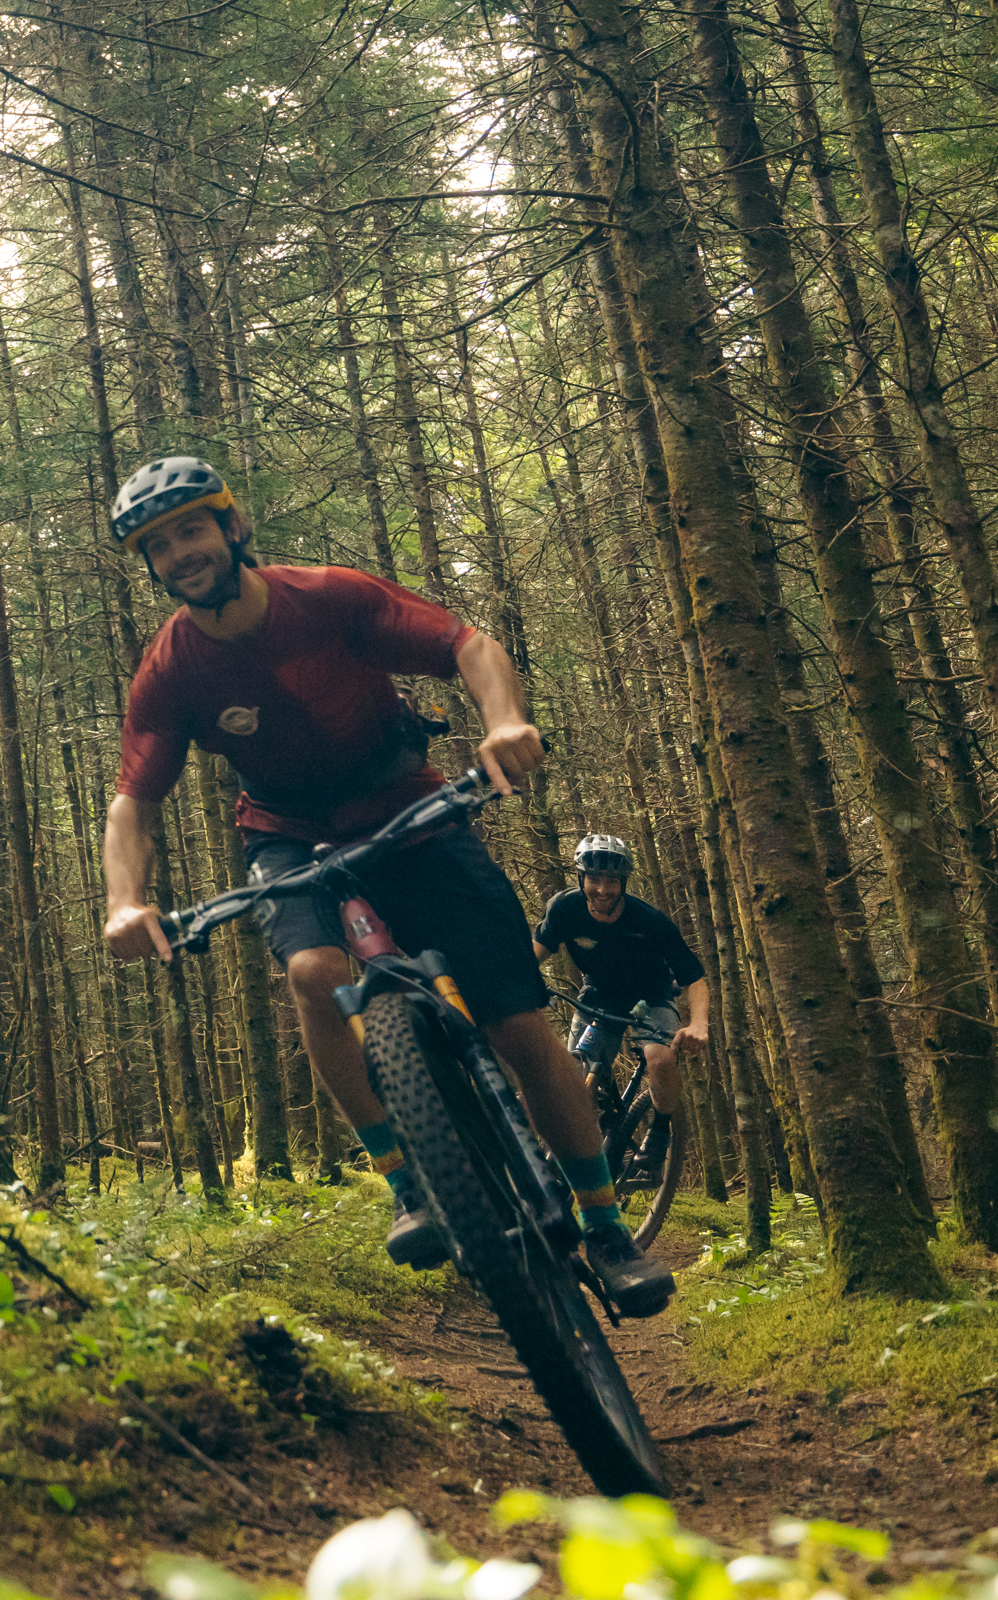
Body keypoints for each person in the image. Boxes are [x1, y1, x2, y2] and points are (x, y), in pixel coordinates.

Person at [95, 455, 675, 1319]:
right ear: (150, 566)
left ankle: (605, 1226)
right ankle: (407, 1180)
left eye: (190, 528)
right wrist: (124, 902)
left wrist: (506, 720)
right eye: (158, 543)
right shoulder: (171, 670)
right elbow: (134, 803)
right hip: (287, 834)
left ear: (231, 526)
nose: (179, 551)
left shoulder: (326, 597)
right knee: (312, 974)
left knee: (519, 1026)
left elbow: (465, 644)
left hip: (411, 807)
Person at [536, 834, 711, 1173]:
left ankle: (659, 1132)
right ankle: (596, 1141)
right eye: (595, 879)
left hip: (652, 996)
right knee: (577, 1073)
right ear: (581, 878)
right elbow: (535, 953)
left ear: (623, 882)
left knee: (659, 1058)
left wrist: (699, 1024)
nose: (602, 889)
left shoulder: (649, 921)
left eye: (611, 880)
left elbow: (695, 979)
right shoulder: (564, 909)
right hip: (599, 995)